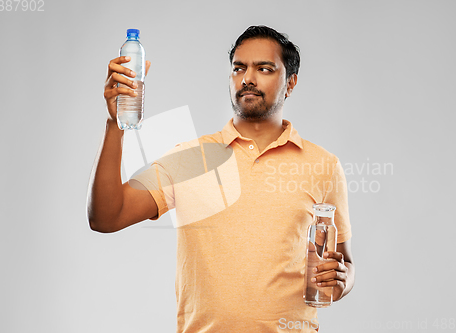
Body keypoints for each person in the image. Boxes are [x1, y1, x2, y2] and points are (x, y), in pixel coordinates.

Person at [88, 25, 354, 332]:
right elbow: (107, 216)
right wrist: (114, 123)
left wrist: (344, 280)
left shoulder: (323, 165)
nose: (248, 78)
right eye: (238, 68)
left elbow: (344, 261)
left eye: (264, 68)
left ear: (290, 83)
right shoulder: (191, 159)